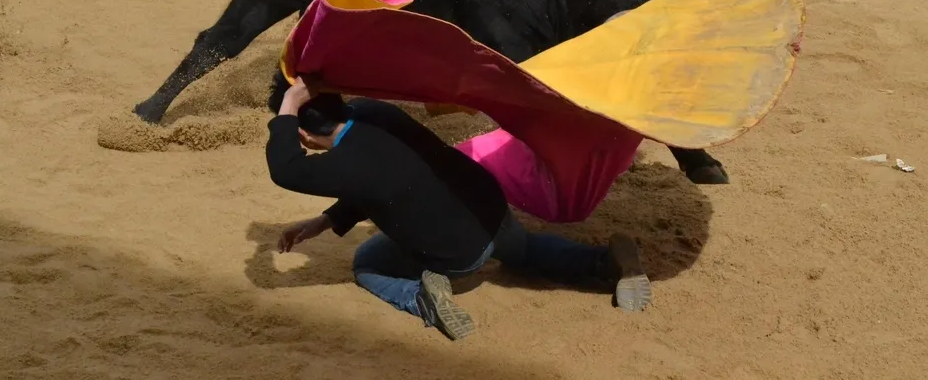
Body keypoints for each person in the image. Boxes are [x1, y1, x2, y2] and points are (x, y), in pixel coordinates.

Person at [265, 77, 651, 341]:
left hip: (459, 251)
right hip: (490, 207)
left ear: (303, 135)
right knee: (525, 252)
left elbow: (286, 169)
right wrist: (325, 220)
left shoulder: (345, 163)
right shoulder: (373, 112)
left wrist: (290, 103)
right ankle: (604, 263)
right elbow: (377, 180)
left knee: (366, 263)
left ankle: (419, 297)